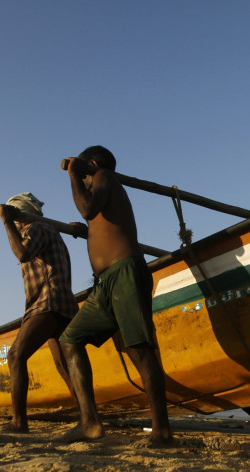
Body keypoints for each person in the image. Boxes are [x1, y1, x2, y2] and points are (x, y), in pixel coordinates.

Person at [59, 146, 173, 445]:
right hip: (105, 284)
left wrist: (73, 172)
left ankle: (161, 431)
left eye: (83, 172)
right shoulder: (99, 188)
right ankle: (90, 423)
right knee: (70, 341)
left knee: (140, 349)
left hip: (125, 273)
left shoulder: (104, 176)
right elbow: (98, 221)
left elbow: (87, 209)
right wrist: (84, 232)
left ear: (91, 165)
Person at [0, 193, 79, 433]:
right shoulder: (49, 229)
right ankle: (88, 417)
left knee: (15, 356)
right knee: (65, 366)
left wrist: (5, 222)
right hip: (62, 304)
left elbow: (22, 253)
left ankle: (19, 422)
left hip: (48, 302)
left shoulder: (36, 228)